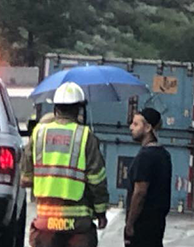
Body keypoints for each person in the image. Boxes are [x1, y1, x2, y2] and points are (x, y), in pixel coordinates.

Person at [21, 82, 109, 247]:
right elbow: (97, 180)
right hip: (78, 225)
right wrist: (101, 212)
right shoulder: (85, 136)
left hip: (45, 223)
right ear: (78, 109)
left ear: (56, 108)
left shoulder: (39, 133)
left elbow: (25, 178)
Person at [124, 108, 172, 247]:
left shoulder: (145, 157)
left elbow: (140, 193)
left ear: (148, 127)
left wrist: (130, 223)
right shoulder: (164, 154)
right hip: (157, 225)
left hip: (142, 226)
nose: (130, 128)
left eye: (135, 124)